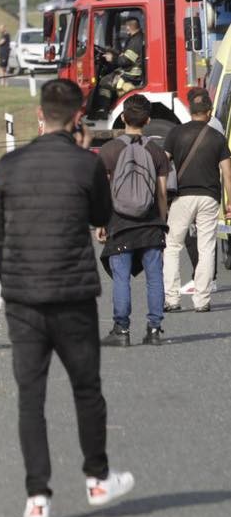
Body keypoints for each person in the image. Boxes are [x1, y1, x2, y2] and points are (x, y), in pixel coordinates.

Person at [0, 78, 133, 517]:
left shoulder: (8, 166)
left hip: (24, 299)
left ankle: (37, 498)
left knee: (31, 397)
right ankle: (97, 478)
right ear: (77, 119)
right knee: (85, 388)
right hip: (73, 296)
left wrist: (13, 278)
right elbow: (100, 216)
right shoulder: (85, 164)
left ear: (38, 115)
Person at [95, 94, 169, 346]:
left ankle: (122, 331)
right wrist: (162, 222)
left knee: (121, 278)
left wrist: (101, 223)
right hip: (151, 225)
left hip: (120, 223)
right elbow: (161, 193)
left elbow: (103, 192)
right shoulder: (157, 152)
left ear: (123, 118)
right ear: (148, 120)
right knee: (154, 277)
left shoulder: (109, 151)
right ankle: (155, 330)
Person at [162, 87, 231, 312]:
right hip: (209, 197)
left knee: (172, 245)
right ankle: (202, 301)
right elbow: (227, 173)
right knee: (206, 246)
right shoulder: (217, 138)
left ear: (190, 110)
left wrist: (161, 198)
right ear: (209, 112)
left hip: (182, 197)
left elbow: (162, 166)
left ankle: (172, 299)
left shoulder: (175, 133)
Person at [91, 17, 144, 118]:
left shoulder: (135, 41)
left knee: (105, 82)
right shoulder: (137, 37)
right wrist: (115, 54)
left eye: (126, 27)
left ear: (129, 27)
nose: (125, 29)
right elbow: (126, 56)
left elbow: (125, 61)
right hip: (131, 71)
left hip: (131, 75)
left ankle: (103, 110)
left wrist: (112, 59)